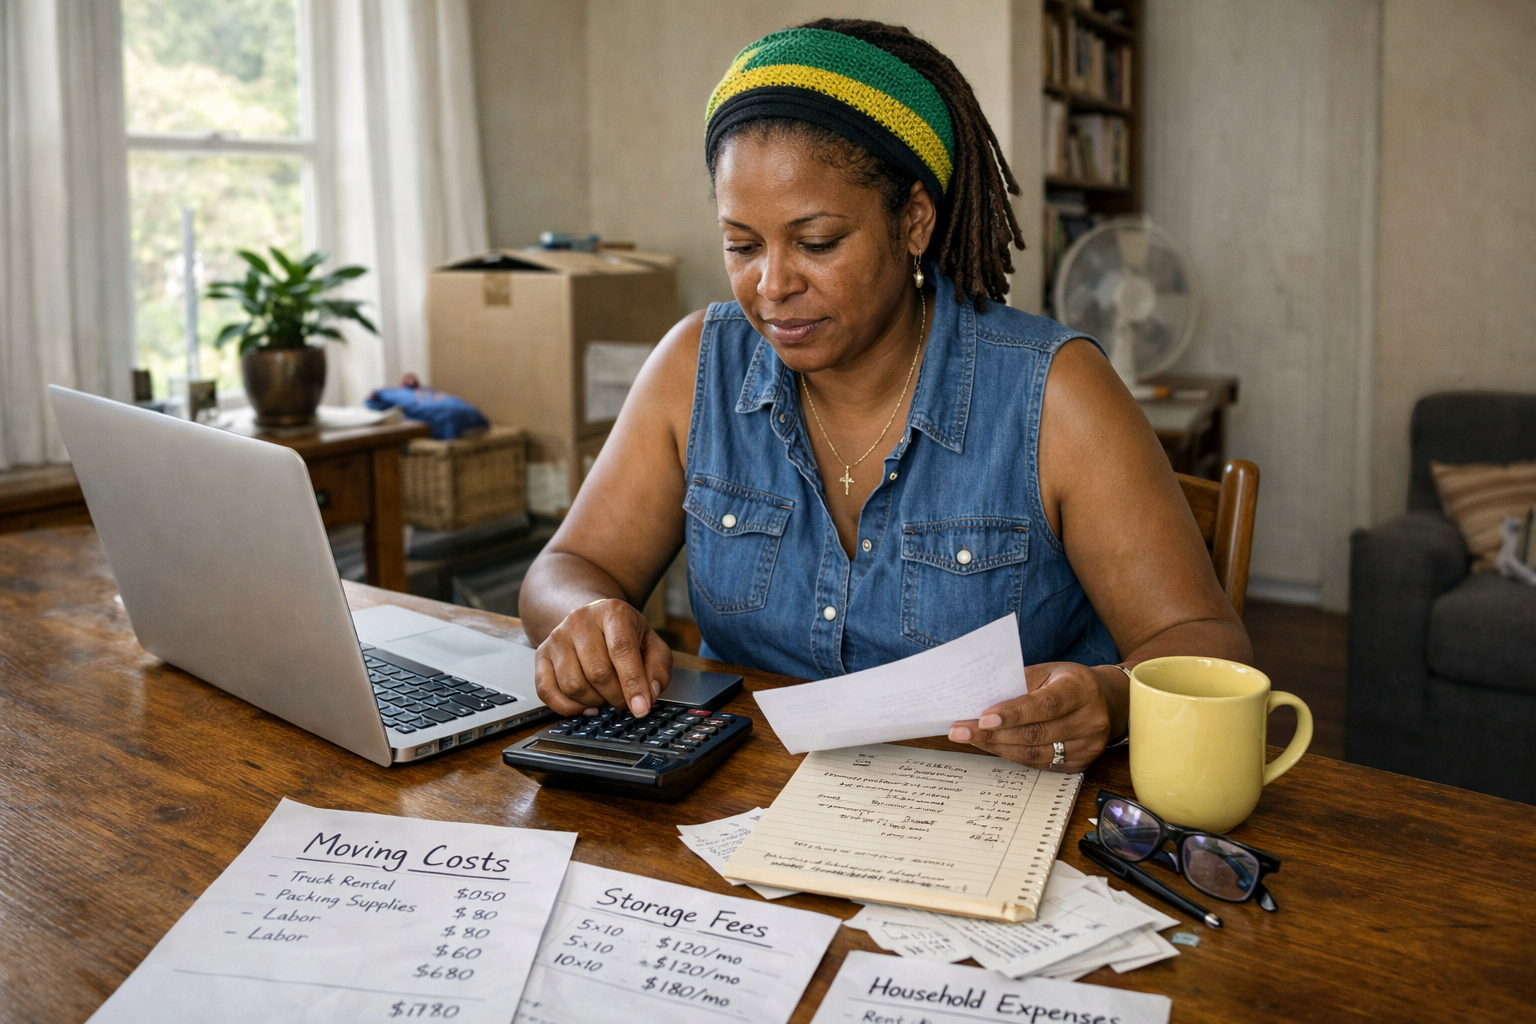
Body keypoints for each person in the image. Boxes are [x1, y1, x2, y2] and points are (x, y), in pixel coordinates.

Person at [519, 18, 1250, 773]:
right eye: (741, 245)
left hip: (993, 820)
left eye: (817, 242)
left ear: (914, 222)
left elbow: (1202, 643)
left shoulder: (1055, 392)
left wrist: (1112, 695)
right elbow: (565, 565)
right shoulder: (694, 366)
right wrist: (583, 618)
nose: (771, 286)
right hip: (737, 811)